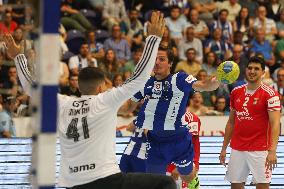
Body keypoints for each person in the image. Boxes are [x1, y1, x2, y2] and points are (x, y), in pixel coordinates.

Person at [4, 12, 177, 189]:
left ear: (79, 88)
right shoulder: (105, 100)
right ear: (101, 87)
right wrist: (153, 39)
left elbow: (30, 87)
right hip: (106, 180)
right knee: (166, 183)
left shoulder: (62, 103)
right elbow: (140, 77)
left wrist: (18, 57)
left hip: (73, 184)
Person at [126, 43, 220, 185]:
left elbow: (204, 85)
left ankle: (194, 181)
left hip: (179, 141)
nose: (157, 62)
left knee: (187, 177)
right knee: (154, 182)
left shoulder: (180, 79)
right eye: (155, 59)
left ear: (170, 63)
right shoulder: (145, 83)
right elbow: (127, 107)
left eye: (162, 59)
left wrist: (218, 79)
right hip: (154, 142)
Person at [219, 56, 281, 189]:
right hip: (237, 148)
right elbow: (231, 122)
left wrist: (272, 151)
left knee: (262, 186)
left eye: (256, 69)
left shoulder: (270, 94)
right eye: (250, 68)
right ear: (245, 70)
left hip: (261, 149)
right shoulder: (236, 92)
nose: (252, 71)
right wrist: (224, 148)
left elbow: (276, 124)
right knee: (235, 185)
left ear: (263, 72)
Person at [167, 111, 201, 189]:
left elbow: (192, 144)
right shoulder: (159, 115)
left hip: (182, 168)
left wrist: (180, 166)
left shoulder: (190, 117)